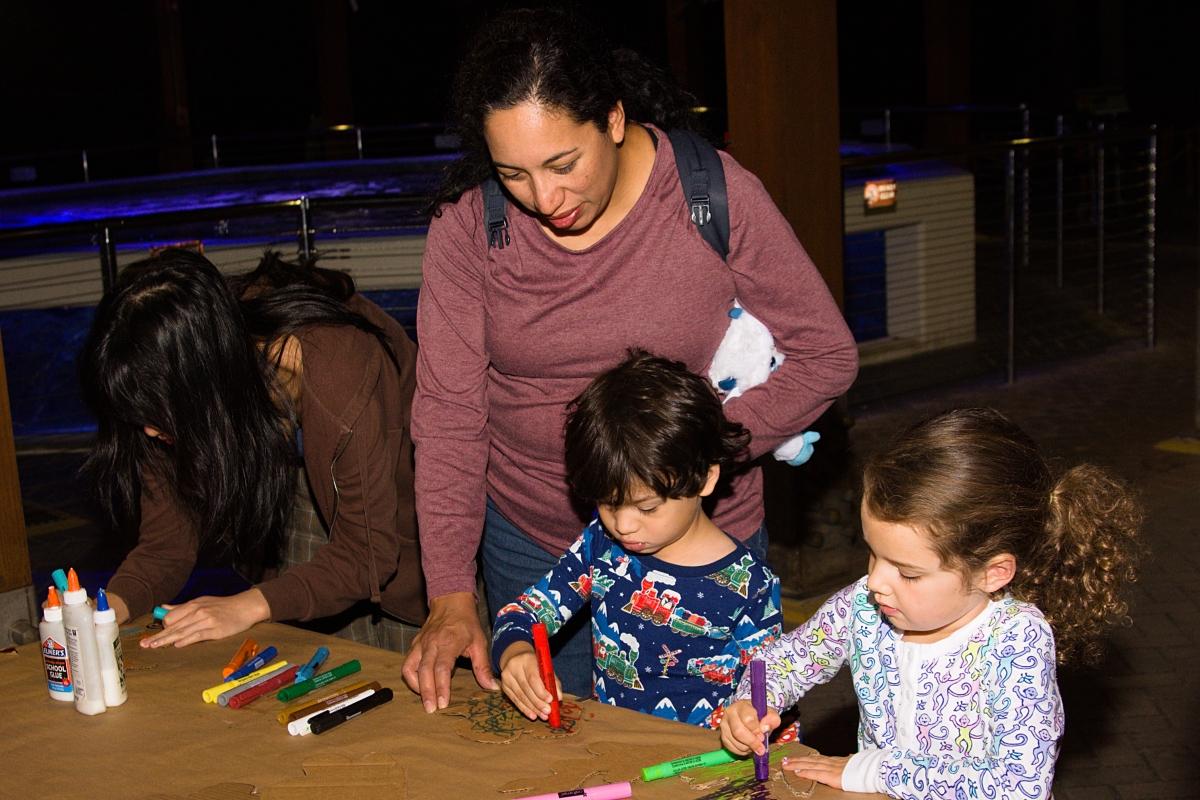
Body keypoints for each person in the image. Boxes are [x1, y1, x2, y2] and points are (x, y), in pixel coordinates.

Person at [404, 6, 858, 712]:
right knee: (553, 743)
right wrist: (451, 593)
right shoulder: (470, 226)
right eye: (513, 173)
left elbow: (826, 354)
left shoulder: (711, 195)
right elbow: (449, 417)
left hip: (696, 540)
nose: (544, 198)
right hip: (533, 534)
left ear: (613, 119)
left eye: (563, 164)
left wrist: (700, 450)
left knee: (711, 743)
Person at [719, 408, 1142, 799]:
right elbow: (786, 660)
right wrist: (754, 701)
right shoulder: (863, 608)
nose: (876, 582)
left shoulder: (1016, 640)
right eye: (873, 553)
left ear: (992, 573)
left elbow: (1020, 786)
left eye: (908, 573)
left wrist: (877, 771)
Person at [80, 248, 427, 650]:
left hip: (400, 505)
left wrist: (247, 605)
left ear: (203, 381)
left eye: (159, 413)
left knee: (406, 657)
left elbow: (368, 552)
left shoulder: (336, 363)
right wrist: (110, 607)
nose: (150, 431)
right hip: (307, 480)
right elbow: (166, 546)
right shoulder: (170, 383)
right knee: (312, 654)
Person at [494, 349, 782, 726]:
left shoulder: (752, 587)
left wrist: (753, 726)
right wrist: (516, 653)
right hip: (612, 747)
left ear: (706, 478)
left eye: (646, 508)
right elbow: (523, 614)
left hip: (707, 759)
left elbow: (771, 695)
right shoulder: (601, 545)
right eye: (608, 503)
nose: (624, 525)